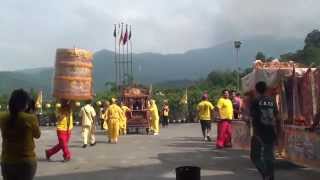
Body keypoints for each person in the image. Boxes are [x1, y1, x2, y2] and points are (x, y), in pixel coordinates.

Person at [0, 89, 41, 180]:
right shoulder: (30, 118)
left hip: (7, 161)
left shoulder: (2, 117)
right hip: (26, 161)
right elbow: (37, 135)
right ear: (25, 104)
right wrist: (31, 113)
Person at [250, 81, 281, 180]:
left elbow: (253, 117)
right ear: (266, 89)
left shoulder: (255, 101)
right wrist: (278, 132)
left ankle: (265, 173)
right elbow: (278, 117)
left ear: (256, 90)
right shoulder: (272, 100)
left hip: (259, 132)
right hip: (271, 131)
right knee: (269, 156)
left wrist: (254, 132)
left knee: (255, 156)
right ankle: (270, 177)